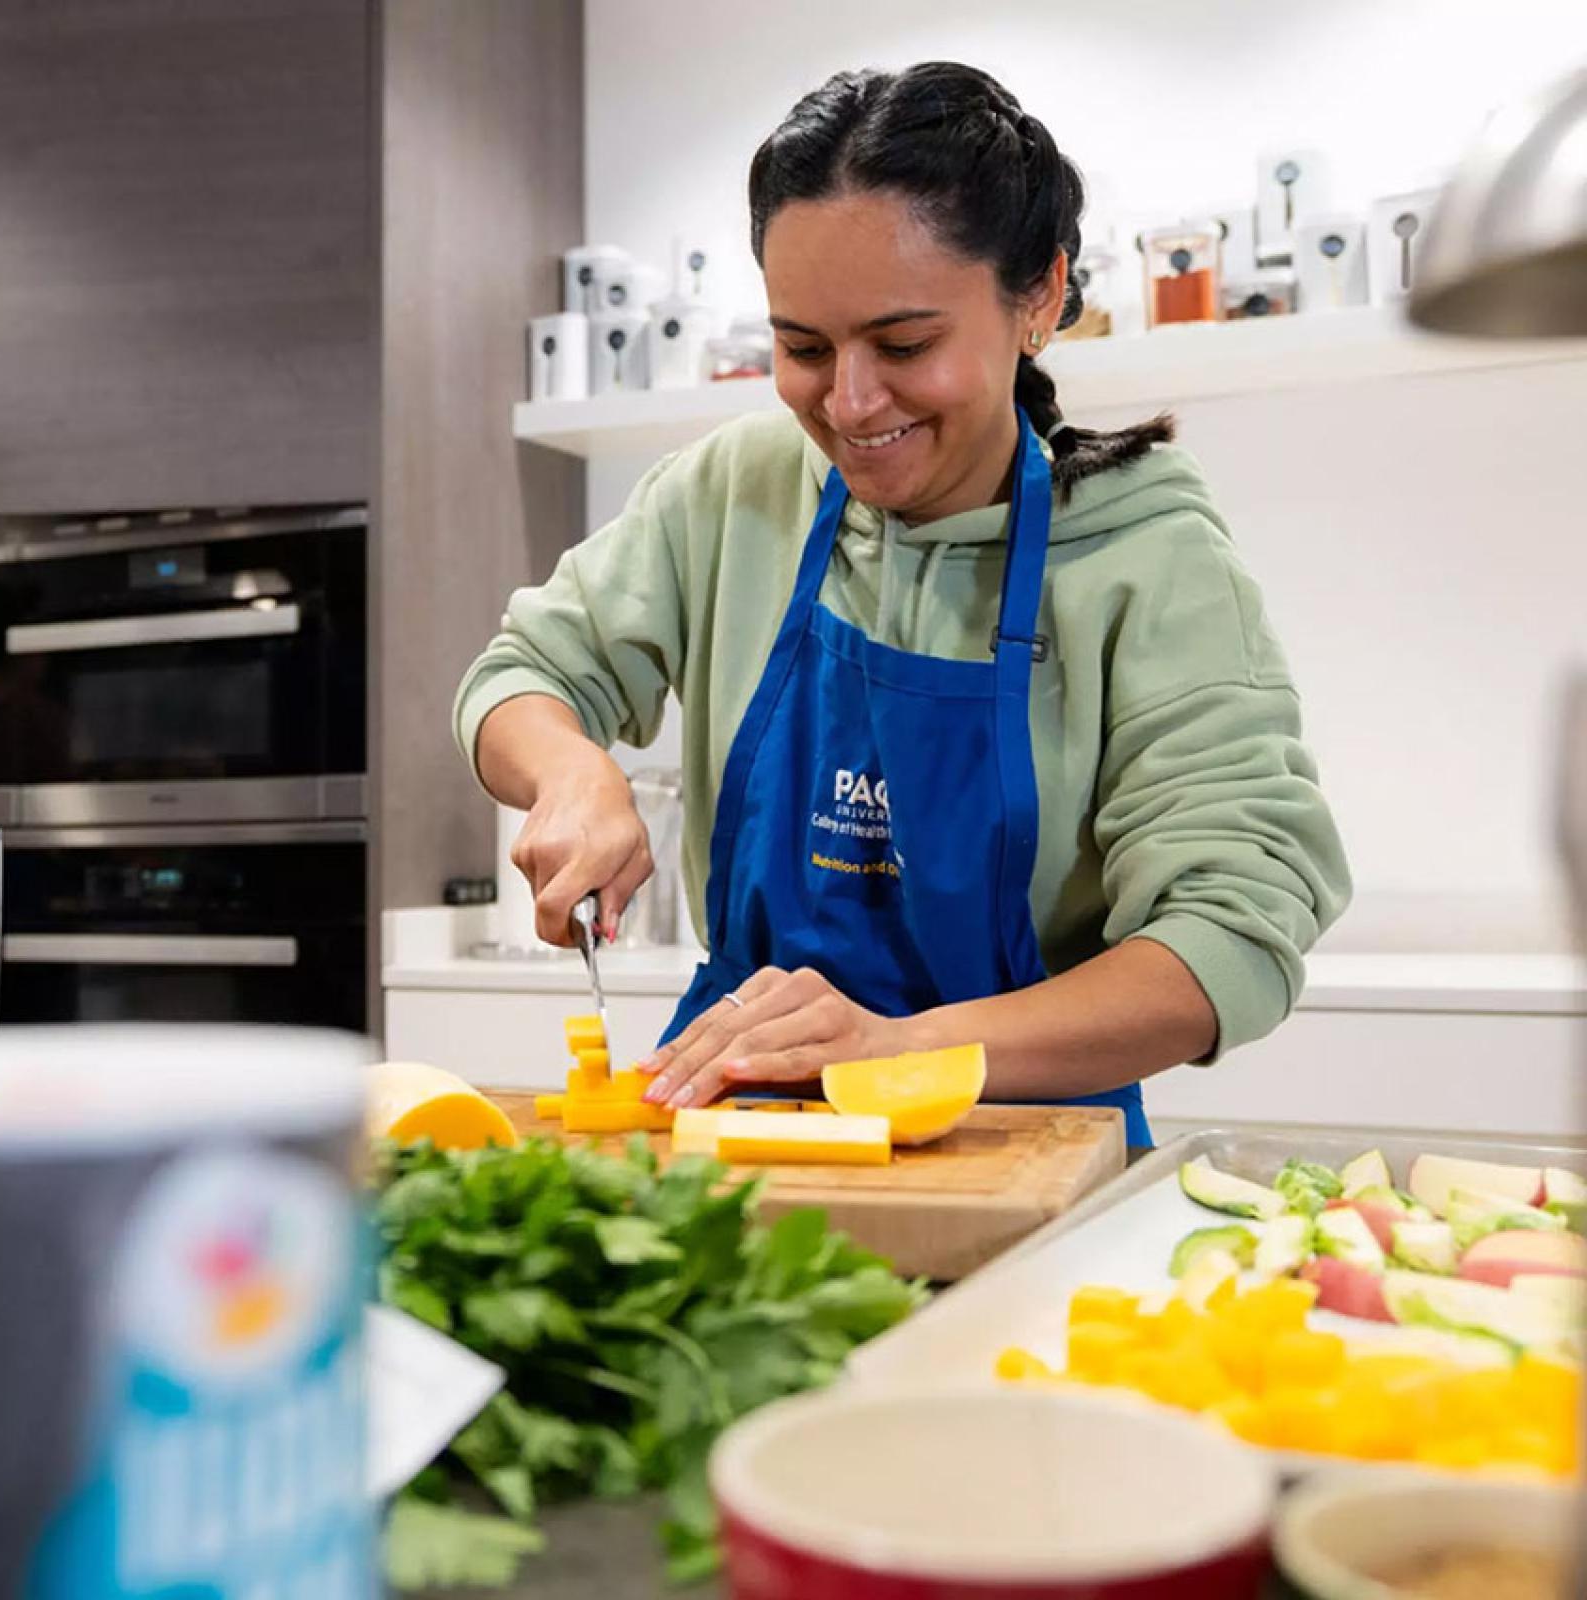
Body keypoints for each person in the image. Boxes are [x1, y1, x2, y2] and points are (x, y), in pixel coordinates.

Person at [455, 62, 1351, 1147]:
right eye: (803, 348)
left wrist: (899, 1051)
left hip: (1019, 1150)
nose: (848, 401)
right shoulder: (736, 490)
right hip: (727, 1124)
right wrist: (570, 774)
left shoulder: (1147, 556)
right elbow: (524, 673)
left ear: (1040, 298)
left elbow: (1229, 936)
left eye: (904, 345)